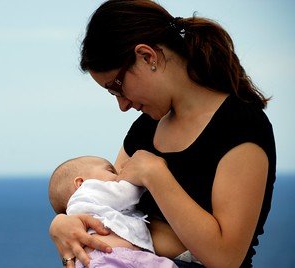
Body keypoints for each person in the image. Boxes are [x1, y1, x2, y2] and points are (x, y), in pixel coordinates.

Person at [49, 1, 276, 267]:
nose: (122, 106)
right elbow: (104, 212)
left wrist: (155, 175)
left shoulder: (240, 126)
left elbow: (224, 258)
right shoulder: (144, 129)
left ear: (147, 56)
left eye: (117, 88)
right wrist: (61, 224)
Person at [48, 155, 179, 267]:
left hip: (137, 258)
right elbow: (126, 193)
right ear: (80, 183)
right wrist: (146, 176)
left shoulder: (101, 203)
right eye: (111, 171)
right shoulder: (87, 191)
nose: (119, 176)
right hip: (108, 257)